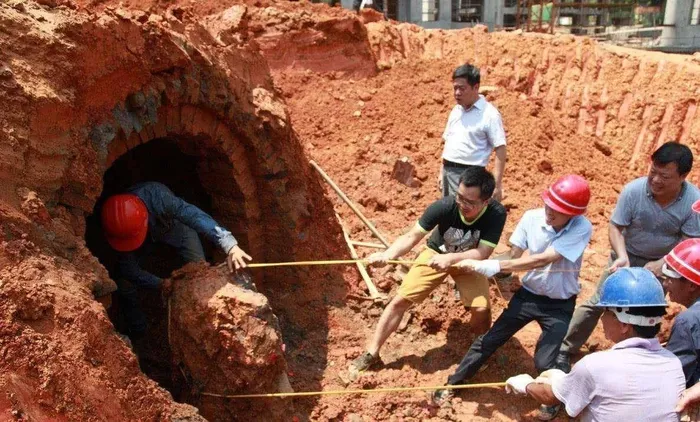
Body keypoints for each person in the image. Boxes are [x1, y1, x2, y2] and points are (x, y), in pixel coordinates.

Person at [432, 174, 592, 421]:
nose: (550, 213)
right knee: (489, 340)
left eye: (558, 211)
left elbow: (545, 258)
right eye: (549, 206)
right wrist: (483, 263)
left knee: (544, 360)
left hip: (559, 305)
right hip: (528, 296)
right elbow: (514, 253)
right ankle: (454, 382)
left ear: (573, 214)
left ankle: (555, 396)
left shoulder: (582, 227)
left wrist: (495, 267)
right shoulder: (531, 218)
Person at [347, 166, 506, 375]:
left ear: (485, 201)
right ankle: (372, 353)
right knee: (399, 301)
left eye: (469, 202)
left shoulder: (496, 214)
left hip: (468, 261)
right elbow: (411, 236)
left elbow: (483, 252)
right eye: (459, 197)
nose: (461, 204)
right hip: (435, 254)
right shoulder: (444, 206)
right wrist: (388, 255)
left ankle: (479, 353)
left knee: (481, 308)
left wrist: (451, 259)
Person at [558, 142, 700, 371]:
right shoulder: (634, 191)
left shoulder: (693, 202)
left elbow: (690, 240)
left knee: (645, 311)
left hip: (663, 264)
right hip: (626, 255)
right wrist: (622, 257)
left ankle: (632, 361)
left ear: (683, 176)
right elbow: (615, 226)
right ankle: (565, 349)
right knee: (598, 302)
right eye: (653, 172)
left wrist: (663, 263)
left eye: (664, 176)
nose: (655, 180)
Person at [504, 268, 685, 422]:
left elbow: (550, 396)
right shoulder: (673, 364)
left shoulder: (596, 365)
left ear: (624, 324)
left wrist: (525, 385)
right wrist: (565, 381)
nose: (602, 318)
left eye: (606, 311)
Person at [101, 181, 252, 336]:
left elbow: (194, 215)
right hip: (140, 243)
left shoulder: (159, 199)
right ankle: (138, 332)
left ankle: (203, 325)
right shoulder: (118, 226)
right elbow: (128, 268)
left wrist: (230, 245)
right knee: (125, 285)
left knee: (200, 271)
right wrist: (160, 283)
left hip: (171, 227)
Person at [439, 64, 506, 201]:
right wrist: (442, 172)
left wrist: (497, 185)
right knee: (448, 215)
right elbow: (448, 143)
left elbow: (500, 148)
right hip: (448, 172)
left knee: (463, 216)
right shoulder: (456, 111)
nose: (457, 92)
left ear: (476, 87)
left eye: (462, 88)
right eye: (455, 88)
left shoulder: (489, 114)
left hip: (470, 177)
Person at [663, 239, 700, 387]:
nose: (665, 283)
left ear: (691, 285)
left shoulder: (688, 321)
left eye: (670, 278)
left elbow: (675, 377)